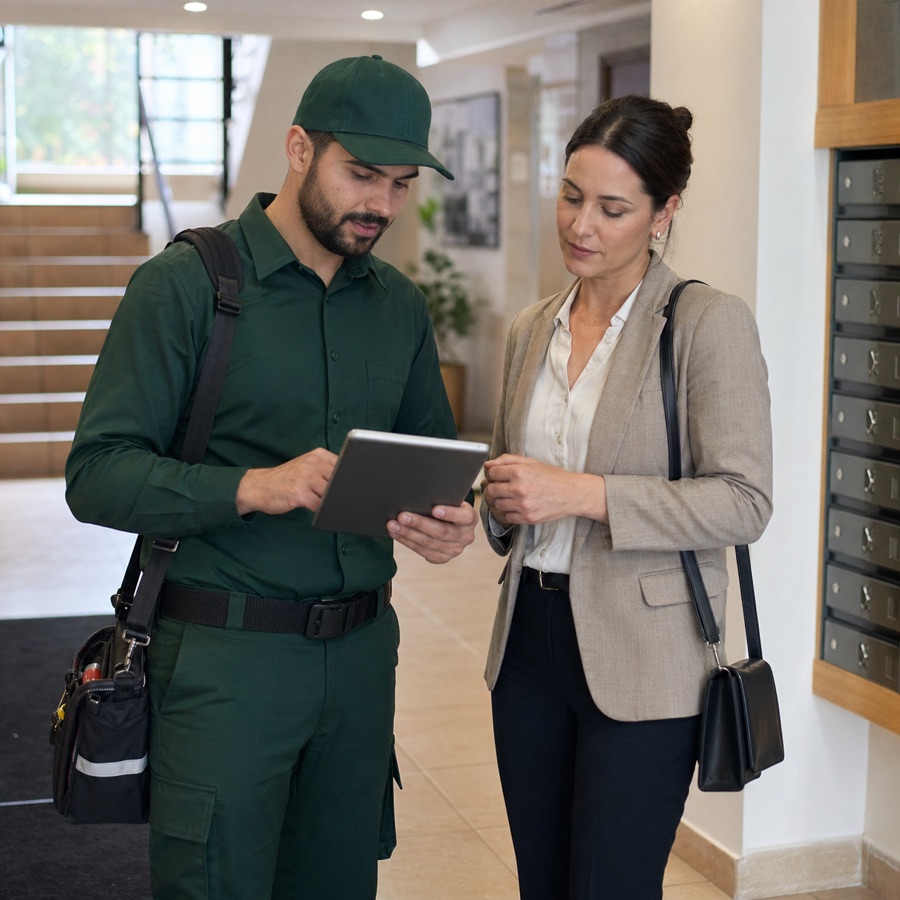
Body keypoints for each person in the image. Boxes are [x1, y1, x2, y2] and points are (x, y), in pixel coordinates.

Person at [65, 54, 477, 900]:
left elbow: (435, 465)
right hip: (225, 663)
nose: (382, 205)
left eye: (401, 184)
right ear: (298, 148)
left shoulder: (398, 306)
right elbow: (95, 475)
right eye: (362, 175)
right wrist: (256, 486)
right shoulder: (184, 286)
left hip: (362, 661)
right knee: (214, 882)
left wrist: (449, 522)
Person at [479, 94, 773, 900]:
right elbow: (513, 484)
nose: (581, 224)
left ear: (663, 212)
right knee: (542, 881)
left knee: (611, 884)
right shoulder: (530, 327)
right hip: (528, 644)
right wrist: (492, 505)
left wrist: (583, 494)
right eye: (572, 196)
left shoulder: (707, 323)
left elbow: (744, 501)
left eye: (612, 208)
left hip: (645, 657)